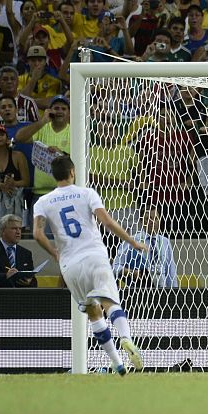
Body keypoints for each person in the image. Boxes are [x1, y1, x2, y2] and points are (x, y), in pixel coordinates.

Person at [33, 155, 146, 375]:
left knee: (93, 313)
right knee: (109, 301)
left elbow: (37, 234)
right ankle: (126, 338)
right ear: (72, 172)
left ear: (53, 176)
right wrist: (132, 241)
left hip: (70, 264)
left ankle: (117, 363)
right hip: (94, 255)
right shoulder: (87, 193)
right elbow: (107, 221)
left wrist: (55, 252)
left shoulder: (43, 201)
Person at [112, 206, 178, 288]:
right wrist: (129, 272)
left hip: (162, 292)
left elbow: (171, 272)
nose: (152, 222)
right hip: (140, 292)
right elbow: (115, 267)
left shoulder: (165, 242)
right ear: (141, 221)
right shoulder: (132, 241)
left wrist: (174, 295)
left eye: (155, 218)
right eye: (148, 219)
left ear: (160, 220)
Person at [0, 124, 29, 233]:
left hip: (16, 201)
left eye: (1, 134)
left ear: (7, 138)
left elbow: (26, 181)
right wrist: (1, 185)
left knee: (17, 235)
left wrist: (14, 183)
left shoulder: (18, 156)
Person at [0, 214, 37, 287]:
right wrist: (5, 276)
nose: (18, 232)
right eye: (14, 228)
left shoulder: (26, 253)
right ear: (3, 230)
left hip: (20, 296)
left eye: (20, 229)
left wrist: (30, 282)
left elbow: (33, 280)